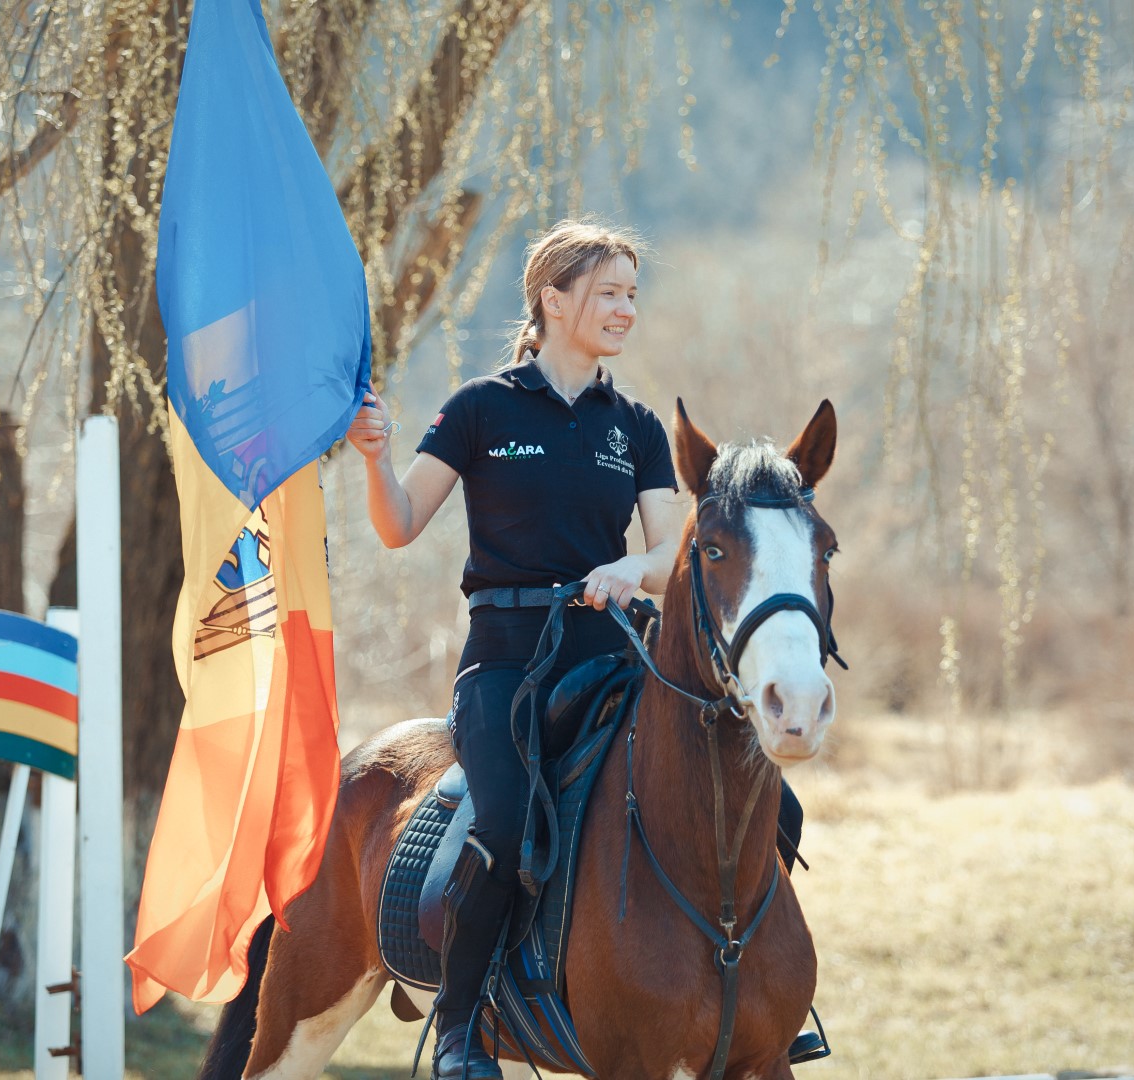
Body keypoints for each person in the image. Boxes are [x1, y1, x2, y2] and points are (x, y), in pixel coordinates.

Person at [346, 218, 810, 1080]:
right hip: (506, 662)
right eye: (609, 293)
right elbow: (399, 525)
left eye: (632, 294)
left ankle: (763, 1003)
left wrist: (630, 567)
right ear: (552, 301)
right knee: (506, 821)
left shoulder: (634, 425)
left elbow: (669, 556)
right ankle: (459, 1027)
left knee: (776, 809)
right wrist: (373, 461)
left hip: (616, 655)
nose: (626, 309)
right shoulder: (479, 408)